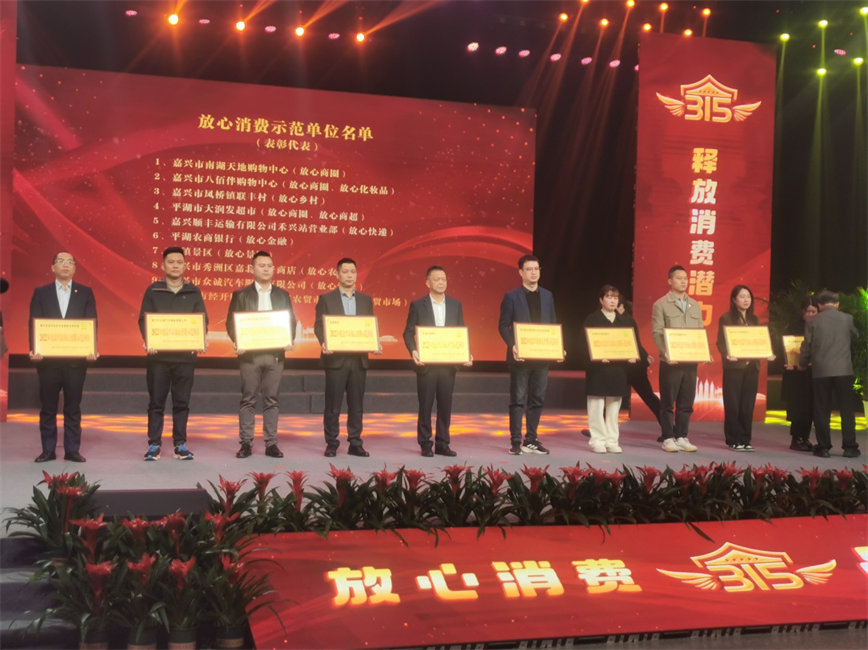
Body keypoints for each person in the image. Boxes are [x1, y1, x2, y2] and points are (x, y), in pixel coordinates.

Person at [138, 246, 208, 461]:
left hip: (185, 358)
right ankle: (154, 444)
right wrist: (149, 340)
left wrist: (199, 340)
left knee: (182, 402)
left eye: (179, 262)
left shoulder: (193, 291)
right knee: (156, 402)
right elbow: (144, 319)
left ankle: (180, 444)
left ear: (185, 265)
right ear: (163, 265)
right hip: (158, 357)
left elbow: (202, 320)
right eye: (171, 262)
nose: (175, 265)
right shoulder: (154, 290)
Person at [226, 250, 297, 459]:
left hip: (275, 355)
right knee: (248, 399)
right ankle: (246, 443)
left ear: (273, 269)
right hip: (250, 356)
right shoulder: (241, 295)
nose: (266, 269)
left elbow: (290, 322)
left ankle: (271, 443)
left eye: (269, 266)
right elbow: (231, 323)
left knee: (271, 400)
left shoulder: (282, 295)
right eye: (261, 265)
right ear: (252, 269)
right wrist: (238, 341)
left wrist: (289, 339)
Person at [28, 252, 97, 463]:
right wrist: (34, 349)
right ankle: (48, 450)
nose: (65, 265)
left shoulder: (85, 292)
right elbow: (34, 322)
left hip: (76, 362)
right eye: (61, 261)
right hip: (48, 361)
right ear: (53, 267)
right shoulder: (42, 292)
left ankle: (72, 450)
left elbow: (92, 322)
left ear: (75, 268)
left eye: (70, 262)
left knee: (73, 407)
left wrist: (91, 348)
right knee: (48, 407)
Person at [403, 265, 471, 457]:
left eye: (444, 279)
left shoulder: (455, 305)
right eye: (437, 279)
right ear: (428, 283)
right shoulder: (418, 305)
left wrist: (466, 353)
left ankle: (443, 443)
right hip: (427, 365)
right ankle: (425, 443)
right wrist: (414, 350)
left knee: (445, 406)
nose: (441, 282)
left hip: (448, 366)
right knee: (425, 405)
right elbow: (408, 332)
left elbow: (460, 332)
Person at [498, 254, 562, 455]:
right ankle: (516, 442)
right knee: (517, 399)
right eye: (529, 269)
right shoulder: (511, 296)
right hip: (521, 357)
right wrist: (512, 345)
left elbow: (552, 325)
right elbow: (503, 325)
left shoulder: (548, 296)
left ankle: (531, 440)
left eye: (536, 269)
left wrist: (558, 347)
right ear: (521, 272)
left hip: (542, 357)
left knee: (537, 399)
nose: (533, 272)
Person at [314, 257, 377, 457]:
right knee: (333, 405)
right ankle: (332, 443)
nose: (350, 275)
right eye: (345, 271)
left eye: (353, 271)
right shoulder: (326, 298)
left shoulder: (365, 300)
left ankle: (355, 442)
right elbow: (318, 326)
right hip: (336, 359)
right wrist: (324, 341)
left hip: (358, 360)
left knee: (356, 405)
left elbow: (369, 327)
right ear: (337, 274)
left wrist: (374, 342)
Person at [799, 290, 860, 458]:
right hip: (844, 370)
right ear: (837, 304)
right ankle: (850, 447)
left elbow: (806, 346)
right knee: (847, 410)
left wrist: (802, 364)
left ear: (819, 305)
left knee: (821, 410)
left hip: (821, 371)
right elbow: (856, 336)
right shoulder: (847, 318)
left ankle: (824, 447)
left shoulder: (812, 321)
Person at [651, 265, 704, 453]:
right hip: (670, 362)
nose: (683, 281)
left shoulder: (695, 305)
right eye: (679, 278)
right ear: (670, 281)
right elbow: (657, 332)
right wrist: (665, 353)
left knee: (686, 402)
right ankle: (667, 437)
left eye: (685, 278)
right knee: (668, 402)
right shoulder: (661, 304)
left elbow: (700, 332)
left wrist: (703, 352)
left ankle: (682, 436)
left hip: (690, 361)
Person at [716, 285, 773, 451]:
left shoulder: (754, 319)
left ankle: (745, 439)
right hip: (734, 367)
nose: (746, 300)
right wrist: (727, 354)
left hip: (751, 367)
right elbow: (721, 342)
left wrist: (767, 353)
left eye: (748, 296)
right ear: (734, 300)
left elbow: (759, 341)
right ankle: (733, 439)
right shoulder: (726, 318)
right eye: (742, 296)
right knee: (733, 404)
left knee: (748, 405)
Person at [583, 285, 637, 453]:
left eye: (615, 298)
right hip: (597, 371)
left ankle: (612, 440)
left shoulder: (625, 321)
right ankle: (597, 440)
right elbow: (584, 344)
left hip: (618, 371)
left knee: (614, 408)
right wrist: (596, 356)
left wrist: (633, 355)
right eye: (609, 297)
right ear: (601, 300)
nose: (613, 301)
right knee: (596, 407)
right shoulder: (592, 319)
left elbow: (633, 343)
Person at [781, 296, 818, 452]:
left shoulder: (820, 328)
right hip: (796, 374)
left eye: (814, 312)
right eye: (808, 311)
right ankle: (796, 438)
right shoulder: (793, 327)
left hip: (812, 373)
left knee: (810, 407)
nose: (811, 315)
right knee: (798, 407)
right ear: (802, 312)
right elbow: (785, 349)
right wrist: (787, 362)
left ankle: (805, 437)